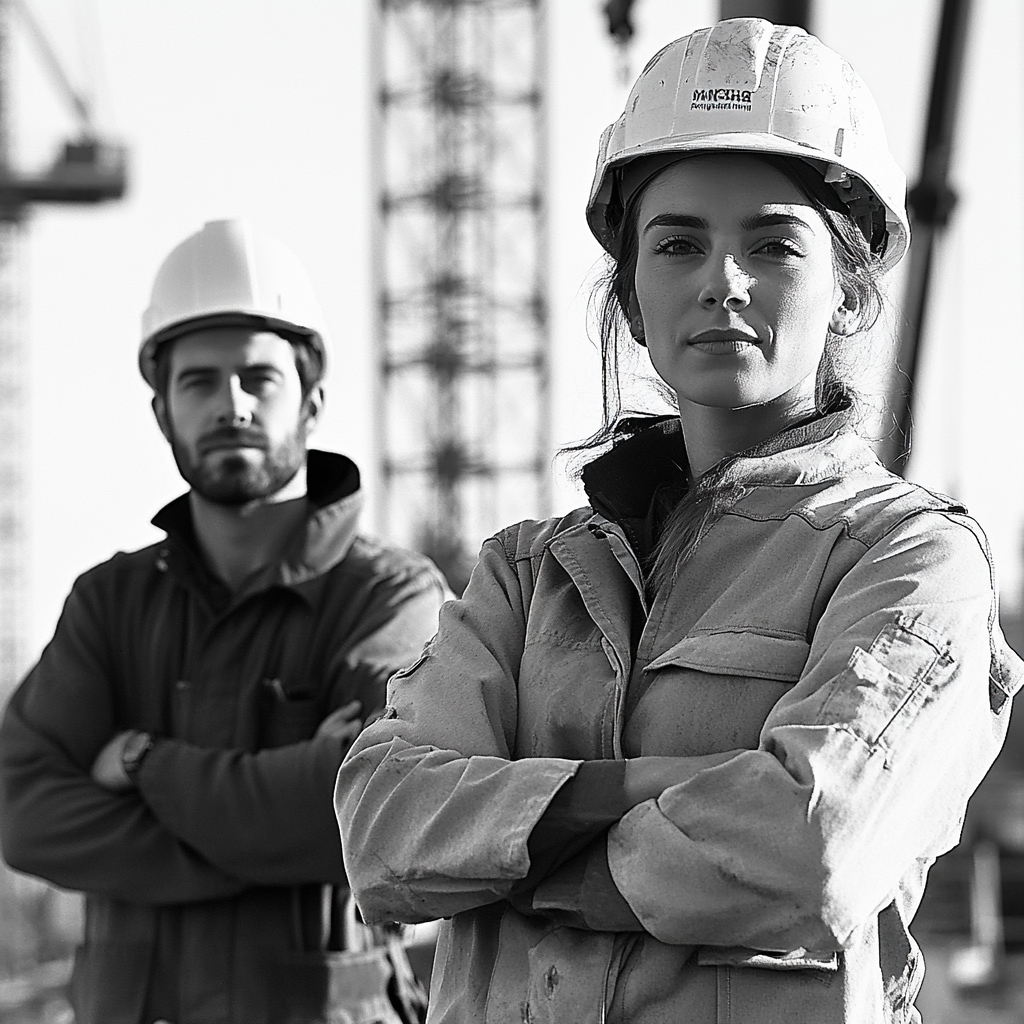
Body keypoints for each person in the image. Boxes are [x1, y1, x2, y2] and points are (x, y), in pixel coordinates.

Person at [336, 19, 1024, 1024]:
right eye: (679, 243)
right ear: (629, 293)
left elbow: (810, 846)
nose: (721, 281)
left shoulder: (909, 561)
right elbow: (381, 827)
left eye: (771, 241)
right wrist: (650, 787)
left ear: (849, 293)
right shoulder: (529, 576)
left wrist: (515, 856)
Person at [0, 219, 449, 1024]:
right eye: (199, 382)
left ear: (312, 400)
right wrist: (267, 827)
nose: (230, 404)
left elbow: (367, 809)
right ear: (163, 412)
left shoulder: (389, 598)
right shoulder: (109, 603)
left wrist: (144, 764)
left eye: (257, 378)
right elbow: (21, 812)